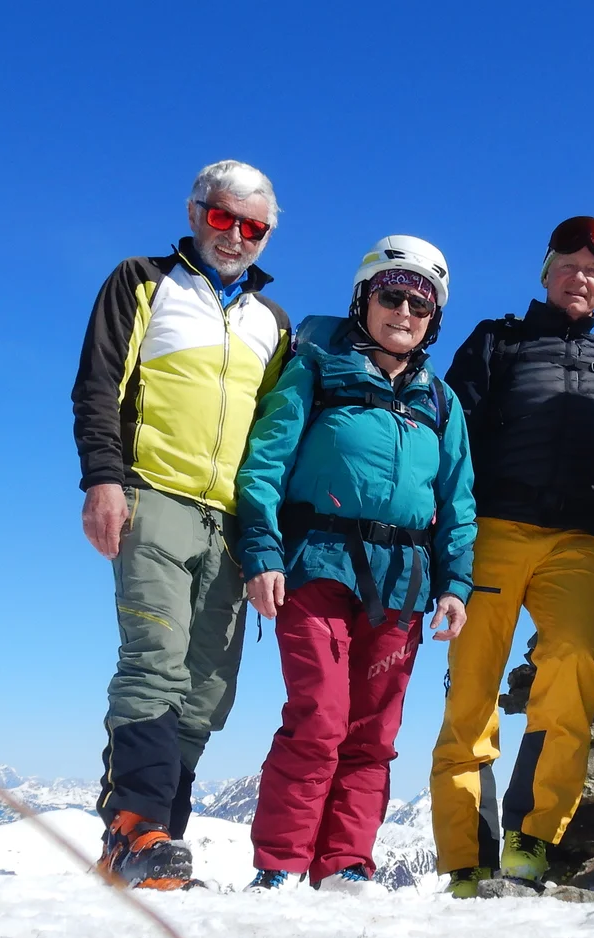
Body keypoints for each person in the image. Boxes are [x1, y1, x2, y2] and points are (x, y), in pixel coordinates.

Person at [70, 160, 290, 890]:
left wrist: (266, 536)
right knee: (153, 662)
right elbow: (100, 384)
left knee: (204, 690)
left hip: (231, 521)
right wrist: (104, 478)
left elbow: (271, 438)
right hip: (153, 495)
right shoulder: (143, 281)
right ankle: (136, 829)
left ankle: (164, 836)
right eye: (224, 218)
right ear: (196, 211)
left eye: (253, 227)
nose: (236, 237)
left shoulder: (272, 324)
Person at [430, 217, 594, 897]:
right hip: (493, 530)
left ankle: (532, 840)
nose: (580, 277)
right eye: (567, 264)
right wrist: (447, 532)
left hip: (574, 541)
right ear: (546, 273)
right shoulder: (496, 341)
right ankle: (466, 863)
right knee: (472, 689)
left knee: (573, 668)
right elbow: (453, 436)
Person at [236, 236, 476, 894]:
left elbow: (457, 500)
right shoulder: (316, 370)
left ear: (434, 321)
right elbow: (264, 462)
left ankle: (344, 865)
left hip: (403, 583)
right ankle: (281, 866)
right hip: (316, 565)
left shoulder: (441, 402)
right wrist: (260, 550)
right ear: (364, 299)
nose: (404, 311)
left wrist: (455, 585)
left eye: (420, 304)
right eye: (391, 295)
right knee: (319, 717)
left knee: (374, 732)